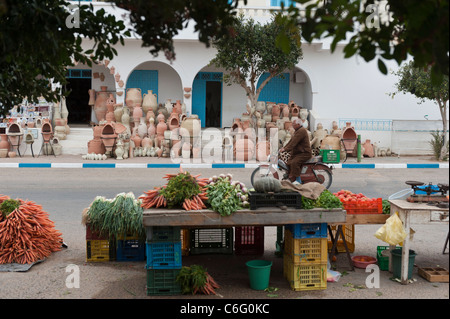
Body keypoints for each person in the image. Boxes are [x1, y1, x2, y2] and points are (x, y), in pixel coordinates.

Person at [280, 118, 312, 183]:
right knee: (289, 163)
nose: (292, 125)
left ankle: (298, 180)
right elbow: (291, 141)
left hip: (305, 153)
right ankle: (291, 177)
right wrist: (283, 148)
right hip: (298, 153)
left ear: (298, 124)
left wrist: (285, 149)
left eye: (294, 124)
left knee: (294, 162)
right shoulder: (297, 131)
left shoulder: (301, 131)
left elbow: (294, 142)